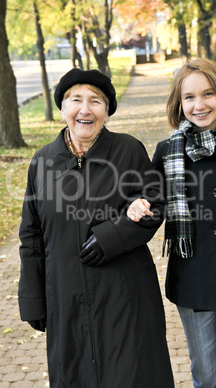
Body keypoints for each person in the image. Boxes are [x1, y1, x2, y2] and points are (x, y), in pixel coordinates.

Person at [18, 68, 175, 388]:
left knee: (131, 375)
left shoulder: (128, 151)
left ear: (107, 110)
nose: (85, 109)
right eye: (76, 100)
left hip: (125, 298)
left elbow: (154, 205)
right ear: (62, 107)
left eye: (96, 101)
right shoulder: (42, 161)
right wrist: (33, 298)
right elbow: (31, 234)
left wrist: (111, 236)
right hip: (65, 299)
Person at [127, 58, 216, 387]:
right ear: (179, 103)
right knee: (205, 377)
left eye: (208, 94)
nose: (199, 105)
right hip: (192, 283)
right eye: (189, 97)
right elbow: (152, 201)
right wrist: (136, 205)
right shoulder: (167, 152)